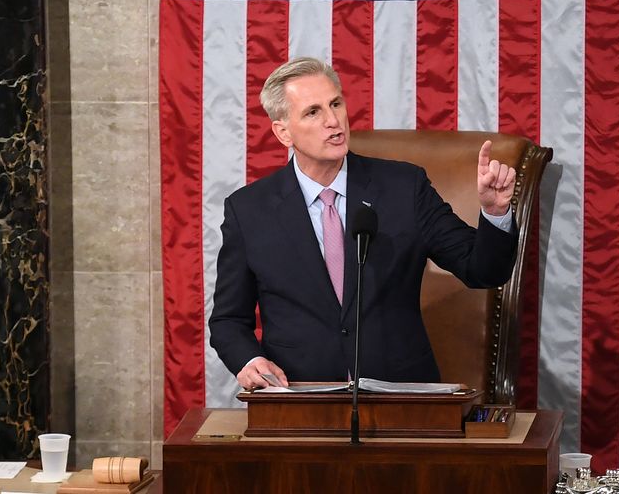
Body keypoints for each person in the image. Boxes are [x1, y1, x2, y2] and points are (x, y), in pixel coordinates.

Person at [208, 57, 518, 390]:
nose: (333, 121)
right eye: (313, 112)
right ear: (283, 132)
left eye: (335, 104)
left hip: (399, 398)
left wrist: (495, 212)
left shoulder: (404, 188)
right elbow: (228, 320)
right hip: (299, 400)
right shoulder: (249, 210)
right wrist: (249, 361)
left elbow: (482, 270)